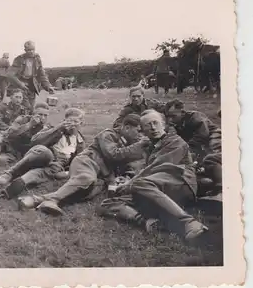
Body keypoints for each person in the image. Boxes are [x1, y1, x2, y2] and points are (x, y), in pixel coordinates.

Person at [98, 109, 208, 243]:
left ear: (163, 124)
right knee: (107, 203)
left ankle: (189, 222)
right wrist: (127, 178)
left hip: (181, 185)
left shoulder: (175, 141)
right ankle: (147, 222)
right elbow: (144, 168)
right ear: (143, 130)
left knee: (139, 184)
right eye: (147, 125)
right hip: (156, 188)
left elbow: (158, 166)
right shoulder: (151, 145)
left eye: (155, 123)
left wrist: (131, 183)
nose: (153, 127)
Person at [18, 114, 150, 215]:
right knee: (86, 178)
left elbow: (127, 165)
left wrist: (125, 176)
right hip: (86, 161)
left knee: (86, 192)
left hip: (100, 175)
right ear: (126, 128)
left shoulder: (130, 144)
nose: (140, 135)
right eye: (138, 131)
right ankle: (52, 200)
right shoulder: (109, 134)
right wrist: (139, 145)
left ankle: (37, 200)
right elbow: (113, 154)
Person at [0, 108, 87, 198]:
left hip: (55, 166)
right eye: (70, 121)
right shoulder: (53, 128)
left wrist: (67, 172)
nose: (73, 125)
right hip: (41, 156)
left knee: (38, 174)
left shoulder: (80, 142)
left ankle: (13, 188)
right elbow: (35, 141)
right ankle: (10, 173)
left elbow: (77, 161)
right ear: (64, 121)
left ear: (81, 124)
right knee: (43, 151)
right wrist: (59, 128)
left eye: (76, 122)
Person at [164, 99, 222, 194]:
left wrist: (187, 147)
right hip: (197, 142)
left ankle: (221, 183)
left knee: (213, 152)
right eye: (168, 117)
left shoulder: (195, 117)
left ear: (182, 112)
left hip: (213, 135)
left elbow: (203, 135)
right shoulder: (176, 124)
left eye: (173, 116)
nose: (170, 119)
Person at [0, 102, 51, 168]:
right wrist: (30, 124)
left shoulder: (47, 128)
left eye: (45, 115)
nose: (43, 118)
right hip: (13, 152)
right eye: (40, 114)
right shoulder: (22, 120)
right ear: (33, 114)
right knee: (2, 159)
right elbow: (10, 134)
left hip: (30, 156)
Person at [7, 40, 55, 112]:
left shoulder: (37, 58)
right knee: (26, 107)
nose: (31, 51)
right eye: (29, 50)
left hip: (32, 85)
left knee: (31, 108)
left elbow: (42, 73)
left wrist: (48, 86)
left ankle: (27, 120)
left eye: (33, 49)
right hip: (20, 85)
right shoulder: (19, 59)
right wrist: (20, 84)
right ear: (25, 50)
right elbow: (10, 75)